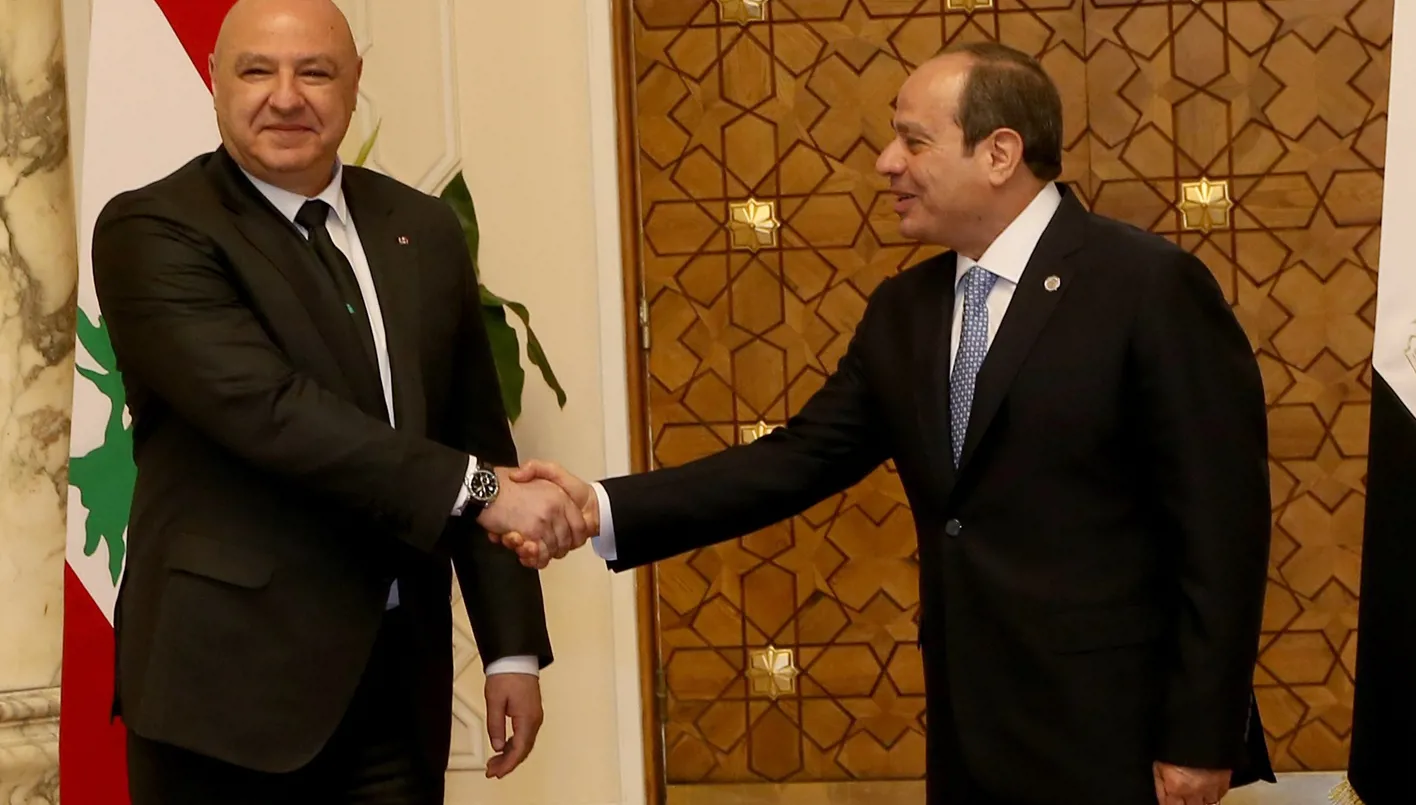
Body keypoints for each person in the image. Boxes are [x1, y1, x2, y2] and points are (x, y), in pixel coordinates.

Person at [504, 42, 1276, 805]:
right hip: (969, 737)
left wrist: (1202, 734)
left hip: (1116, 738)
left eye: (914, 140)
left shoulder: (1146, 286)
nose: (886, 162)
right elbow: (795, 459)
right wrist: (598, 506)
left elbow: (1222, 530)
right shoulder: (906, 311)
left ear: (1000, 153)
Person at [89, 1, 589, 802]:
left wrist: (511, 650)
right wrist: (483, 491)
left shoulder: (421, 227)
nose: (286, 97)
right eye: (257, 70)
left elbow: (474, 427)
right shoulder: (153, 228)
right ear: (215, 80)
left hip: (396, 686)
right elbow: (274, 412)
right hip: (225, 697)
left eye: (315, 72)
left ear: (355, 83)